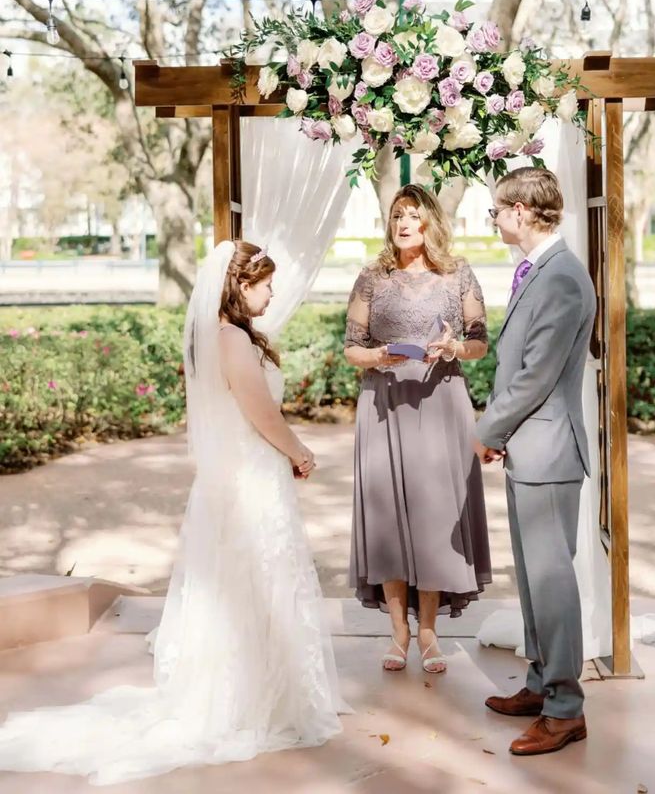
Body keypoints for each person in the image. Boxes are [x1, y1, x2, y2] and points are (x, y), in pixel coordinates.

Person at [0, 240, 344, 784]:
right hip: (251, 478)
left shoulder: (218, 337)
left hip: (239, 476)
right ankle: (252, 700)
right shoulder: (231, 339)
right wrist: (299, 451)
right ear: (241, 285)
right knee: (256, 581)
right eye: (266, 283)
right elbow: (260, 412)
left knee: (249, 582)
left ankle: (263, 691)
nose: (273, 292)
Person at [344, 184, 492, 675]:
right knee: (385, 512)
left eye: (412, 216)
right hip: (383, 399)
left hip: (440, 398)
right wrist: (378, 356)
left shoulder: (458, 275)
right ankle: (398, 633)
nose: (403, 224)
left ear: (431, 222)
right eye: (396, 216)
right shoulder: (371, 277)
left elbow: (479, 342)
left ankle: (428, 632)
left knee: (432, 512)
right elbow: (351, 347)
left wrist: (453, 349)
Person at [477, 167, 596, 757]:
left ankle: (566, 710)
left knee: (552, 584)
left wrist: (487, 429)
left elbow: (535, 377)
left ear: (522, 211)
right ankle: (539, 683)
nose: (495, 220)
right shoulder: (541, 271)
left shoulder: (563, 278)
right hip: (529, 449)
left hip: (548, 451)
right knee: (531, 581)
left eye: (497, 211)